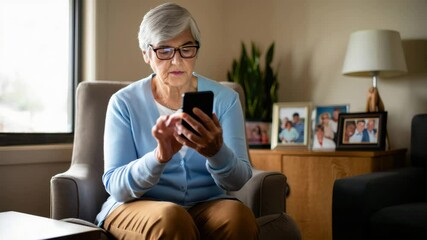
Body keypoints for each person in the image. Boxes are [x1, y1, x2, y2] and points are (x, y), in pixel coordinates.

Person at [95, 3, 258, 240]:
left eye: (186, 48)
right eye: (164, 50)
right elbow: (115, 185)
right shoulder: (124, 102)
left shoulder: (225, 100)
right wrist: (158, 157)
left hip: (208, 204)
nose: (176, 60)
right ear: (146, 54)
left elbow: (238, 180)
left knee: (238, 217)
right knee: (172, 218)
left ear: (197, 49)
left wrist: (216, 152)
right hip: (138, 205)